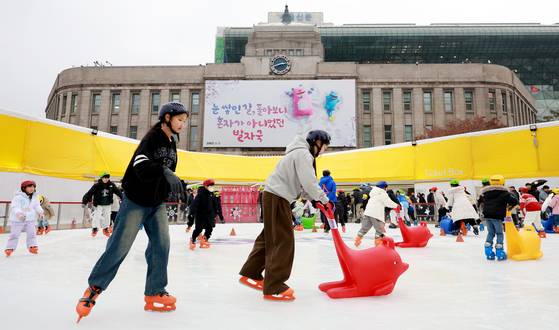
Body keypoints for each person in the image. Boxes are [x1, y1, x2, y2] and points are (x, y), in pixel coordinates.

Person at [75, 102, 189, 322]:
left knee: (161, 244)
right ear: (167, 118)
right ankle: (94, 288)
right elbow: (141, 164)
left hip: (156, 204)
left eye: (184, 121)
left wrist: (175, 186)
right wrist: (165, 171)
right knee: (120, 245)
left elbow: (163, 174)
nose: (183, 124)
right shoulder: (153, 138)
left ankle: (155, 290)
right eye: (180, 120)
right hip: (136, 201)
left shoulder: (171, 143)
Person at [238, 130, 331, 302]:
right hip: (278, 196)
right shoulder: (304, 154)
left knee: (269, 237)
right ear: (317, 142)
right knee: (283, 240)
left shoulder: (297, 153)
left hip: (275, 195)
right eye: (324, 147)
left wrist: (315, 200)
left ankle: (251, 273)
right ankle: (274, 287)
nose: (324, 151)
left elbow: (304, 186)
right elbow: (309, 182)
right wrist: (325, 200)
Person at [478, 175, 518, 261]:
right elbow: (515, 201)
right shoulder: (504, 193)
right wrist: (510, 207)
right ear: (502, 182)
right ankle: (499, 251)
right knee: (499, 233)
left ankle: (488, 250)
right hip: (497, 216)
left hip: (487, 215)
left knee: (491, 232)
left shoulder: (486, 193)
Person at [4, 180, 43, 257]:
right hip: (18, 219)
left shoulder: (35, 197)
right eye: (29, 186)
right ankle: (10, 248)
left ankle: (32, 246)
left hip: (30, 219)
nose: (32, 188)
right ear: (24, 188)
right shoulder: (18, 197)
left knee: (32, 233)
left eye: (33, 187)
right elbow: (15, 207)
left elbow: (37, 206)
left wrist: (40, 212)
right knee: (15, 234)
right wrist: (19, 214)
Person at [355, 181, 398, 247]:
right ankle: (378, 245)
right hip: (376, 215)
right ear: (384, 187)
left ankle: (357, 240)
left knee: (364, 228)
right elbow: (388, 202)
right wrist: (396, 206)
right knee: (379, 230)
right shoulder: (382, 193)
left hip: (367, 213)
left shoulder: (373, 193)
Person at [82, 172, 123, 238]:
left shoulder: (111, 185)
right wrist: (84, 201)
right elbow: (89, 193)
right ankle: (95, 228)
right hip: (98, 204)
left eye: (107, 178)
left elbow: (118, 192)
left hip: (107, 204)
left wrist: (123, 198)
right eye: (105, 178)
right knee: (97, 216)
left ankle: (105, 228)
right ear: (102, 178)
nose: (106, 179)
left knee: (107, 216)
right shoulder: (97, 185)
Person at [188, 179, 217, 250]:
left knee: (210, 228)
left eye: (212, 185)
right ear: (205, 186)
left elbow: (215, 204)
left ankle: (205, 239)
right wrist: (192, 213)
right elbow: (194, 204)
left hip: (209, 215)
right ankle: (193, 239)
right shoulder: (201, 194)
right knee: (198, 229)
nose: (212, 187)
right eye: (210, 185)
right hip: (200, 215)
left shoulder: (211, 194)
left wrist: (215, 213)